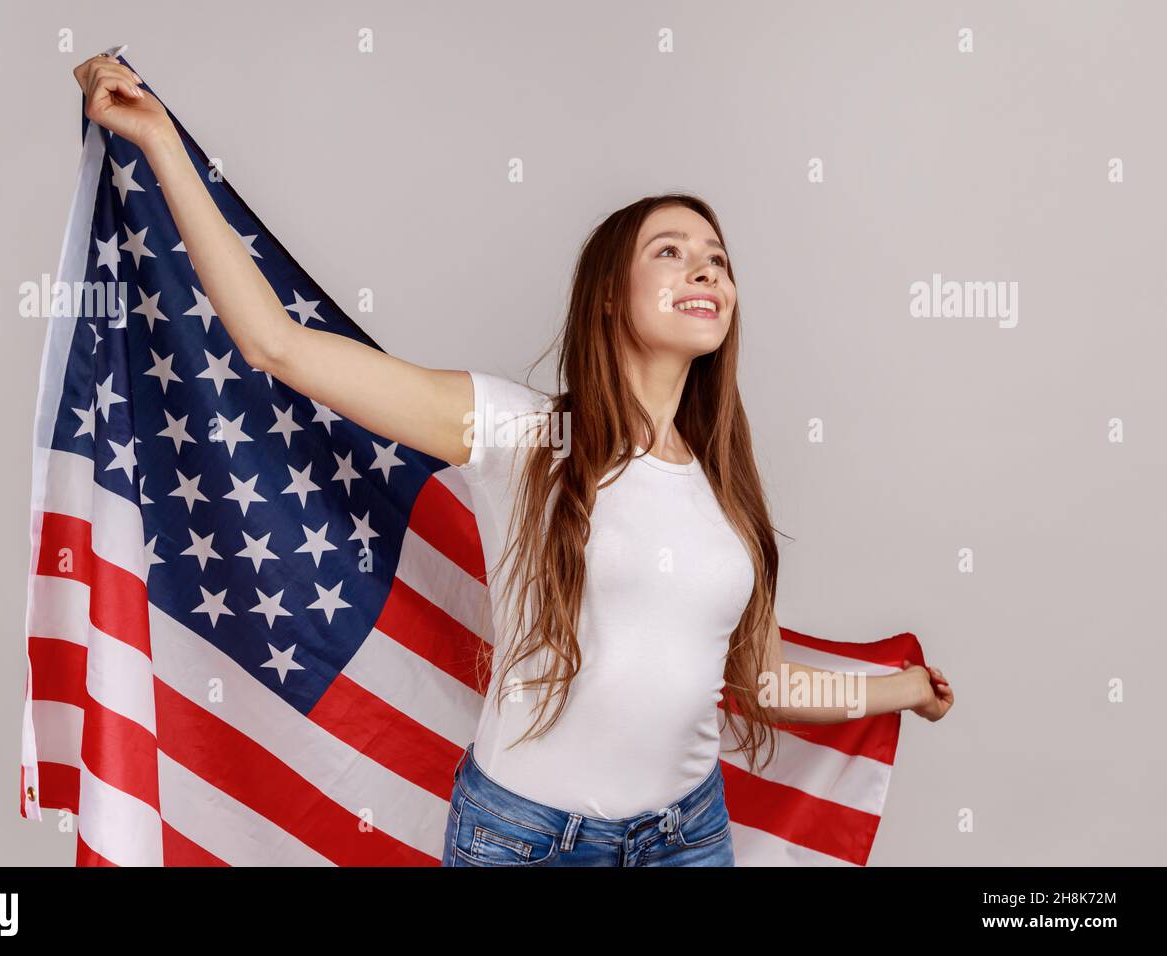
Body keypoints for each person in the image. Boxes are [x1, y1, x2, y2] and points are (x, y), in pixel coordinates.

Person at [72, 53, 955, 867]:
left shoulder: (728, 491)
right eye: (672, 252)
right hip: (528, 842)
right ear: (611, 294)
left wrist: (901, 688)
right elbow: (277, 347)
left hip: (688, 837)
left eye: (718, 260)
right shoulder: (525, 435)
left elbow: (757, 679)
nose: (706, 272)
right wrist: (157, 142)